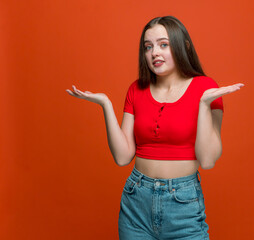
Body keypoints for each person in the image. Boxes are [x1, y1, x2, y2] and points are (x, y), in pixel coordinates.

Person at [66, 15, 244, 240]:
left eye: (163, 45)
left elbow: (207, 160)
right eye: (148, 47)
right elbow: (122, 157)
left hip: (183, 205)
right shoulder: (136, 89)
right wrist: (105, 104)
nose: (154, 53)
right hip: (135, 202)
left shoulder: (207, 89)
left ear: (183, 46)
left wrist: (203, 105)